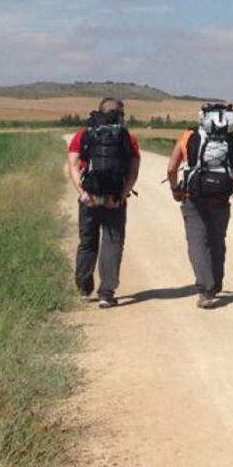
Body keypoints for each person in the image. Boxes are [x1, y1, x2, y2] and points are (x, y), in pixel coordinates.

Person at [166, 102, 233, 309]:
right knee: (217, 241)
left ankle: (205, 289)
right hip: (221, 199)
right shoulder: (230, 140)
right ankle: (216, 283)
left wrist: (175, 189)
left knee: (197, 243)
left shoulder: (188, 136)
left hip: (193, 198)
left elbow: (171, 169)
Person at [66, 98, 141, 309]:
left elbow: (72, 165)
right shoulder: (127, 136)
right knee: (112, 242)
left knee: (87, 241)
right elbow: (134, 171)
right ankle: (106, 294)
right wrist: (122, 195)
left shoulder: (83, 134)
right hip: (114, 198)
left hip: (89, 197)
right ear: (120, 114)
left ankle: (83, 289)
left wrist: (83, 193)